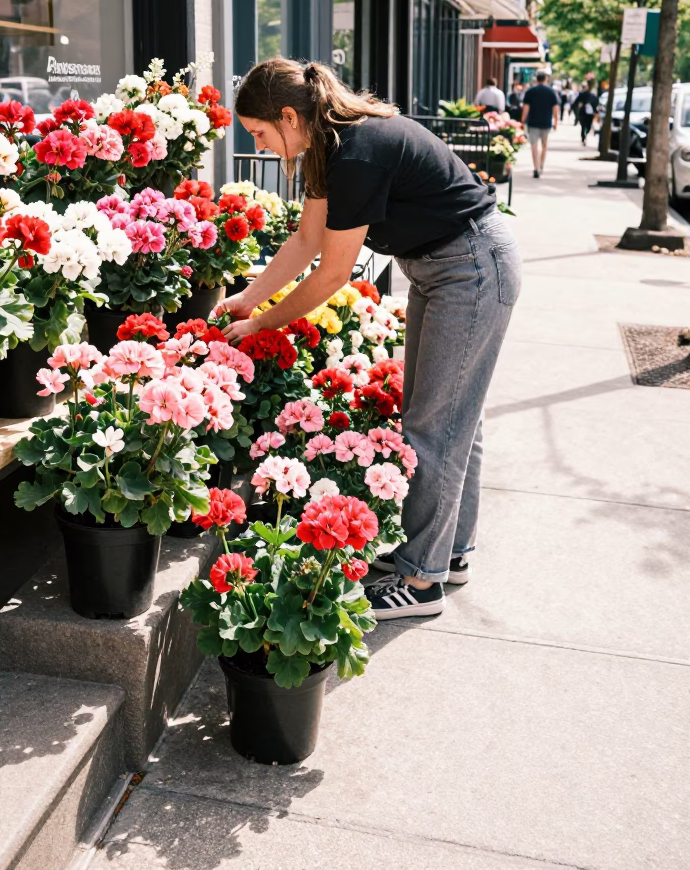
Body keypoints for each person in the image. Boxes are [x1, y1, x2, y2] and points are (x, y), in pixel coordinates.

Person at [216, 58, 521, 621]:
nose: (258, 144)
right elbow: (306, 239)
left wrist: (262, 322)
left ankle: (422, 580)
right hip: (445, 267)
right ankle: (447, 554)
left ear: (288, 116)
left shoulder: (355, 152)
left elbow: (332, 274)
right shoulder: (331, 149)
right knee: (454, 419)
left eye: (258, 132)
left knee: (435, 427)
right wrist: (246, 297)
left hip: (472, 267)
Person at [520, 71, 559, 177]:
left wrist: (522, 120)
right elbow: (555, 109)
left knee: (533, 146)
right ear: (545, 79)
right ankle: (541, 165)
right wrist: (556, 122)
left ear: (536, 79)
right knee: (544, 145)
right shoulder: (551, 92)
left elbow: (526, 108)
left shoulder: (530, 91)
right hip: (546, 122)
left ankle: (536, 167)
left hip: (533, 122)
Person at [572, 79, 600, 145]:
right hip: (583, 113)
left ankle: (585, 135)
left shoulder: (594, 96)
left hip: (590, 114)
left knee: (588, 126)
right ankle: (583, 137)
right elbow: (576, 103)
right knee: (583, 126)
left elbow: (596, 104)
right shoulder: (583, 94)